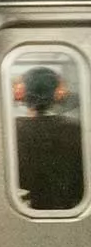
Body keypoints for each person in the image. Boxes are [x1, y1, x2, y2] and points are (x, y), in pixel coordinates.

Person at [13, 65, 83, 212]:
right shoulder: (75, 128)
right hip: (73, 206)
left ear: (25, 93)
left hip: (32, 207)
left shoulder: (14, 130)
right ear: (55, 93)